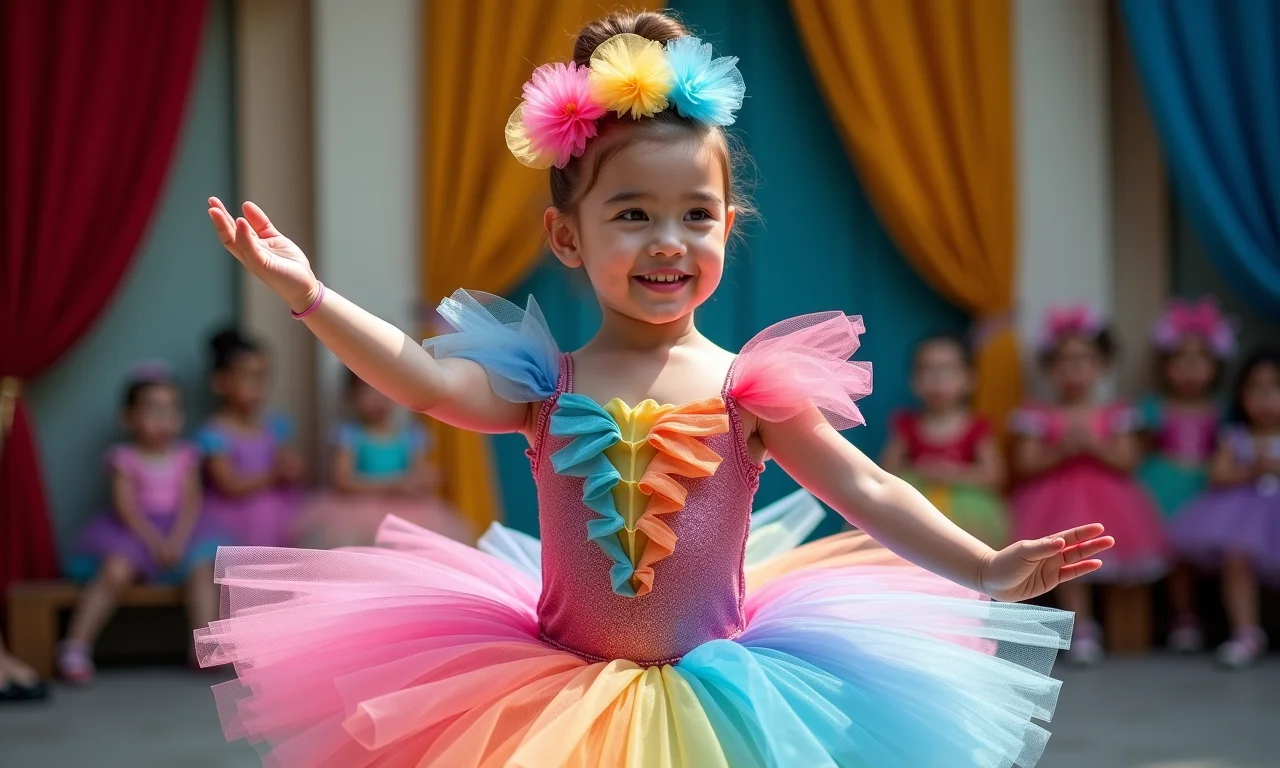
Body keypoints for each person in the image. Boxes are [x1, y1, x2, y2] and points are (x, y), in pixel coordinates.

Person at [195, 12, 1111, 766]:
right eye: (632, 214)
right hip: (557, 701)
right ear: (567, 237)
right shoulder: (543, 385)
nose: (668, 240)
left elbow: (866, 487)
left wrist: (982, 567)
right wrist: (311, 297)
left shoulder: (749, 389)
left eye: (696, 215)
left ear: (727, 226)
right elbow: (425, 379)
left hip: (726, 697)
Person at [1010, 306, 1168, 666]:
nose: (1074, 369)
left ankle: (1115, 629)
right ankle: (1082, 628)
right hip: (1051, 503)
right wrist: (1061, 450)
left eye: (1084, 360)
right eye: (1064, 361)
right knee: (1067, 553)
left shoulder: (1117, 412)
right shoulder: (1037, 415)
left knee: (1099, 553)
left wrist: (1095, 446)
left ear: (1102, 365)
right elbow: (1024, 464)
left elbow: (1128, 460)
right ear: (1050, 368)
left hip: (1110, 502)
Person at [60, 362, 224, 682]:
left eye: (171, 410)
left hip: (181, 530)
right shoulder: (124, 458)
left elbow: (191, 503)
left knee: (203, 569)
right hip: (134, 531)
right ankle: (76, 645)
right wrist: (154, 542)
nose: (164, 419)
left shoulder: (186, 455)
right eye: (153, 410)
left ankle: (205, 644)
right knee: (115, 570)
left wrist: (176, 540)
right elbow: (126, 508)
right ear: (129, 417)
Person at [1167, 347, 1280, 668]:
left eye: (1274, 387)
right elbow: (1217, 475)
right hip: (1241, 516)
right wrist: (1252, 470)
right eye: (1255, 388)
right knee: (1236, 558)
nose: (1265, 398)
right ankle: (1246, 632)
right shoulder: (1236, 436)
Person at [1135, 298, 1233, 651]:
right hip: (1163, 486)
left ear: (1216, 366)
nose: (1190, 370)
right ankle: (1182, 616)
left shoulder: (1220, 411)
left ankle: (1221, 619)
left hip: (1209, 488)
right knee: (1175, 556)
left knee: (1209, 554)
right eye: (1180, 360)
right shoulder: (1155, 407)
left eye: (1199, 360)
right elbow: (1140, 449)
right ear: (1165, 365)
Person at [293, 369, 466, 549]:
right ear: (352, 395)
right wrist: (394, 484)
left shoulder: (411, 436)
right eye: (369, 390)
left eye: (386, 389)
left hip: (407, 510)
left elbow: (418, 474)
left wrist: (426, 480)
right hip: (357, 511)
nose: (379, 398)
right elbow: (343, 481)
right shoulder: (349, 435)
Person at [881, 334, 1008, 547]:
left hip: (968, 512)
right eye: (927, 370)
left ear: (969, 379)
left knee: (968, 553)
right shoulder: (907, 425)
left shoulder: (975, 426)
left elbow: (995, 475)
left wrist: (953, 473)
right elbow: (887, 472)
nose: (937, 379)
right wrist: (918, 471)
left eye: (947, 370)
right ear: (914, 380)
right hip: (919, 507)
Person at [196, 329, 303, 547]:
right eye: (248, 376)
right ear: (220, 382)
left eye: (263, 376)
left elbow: (284, 460)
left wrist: (293, 468)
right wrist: (274, 475)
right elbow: (229, 484)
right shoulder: (215, 433)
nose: (258, 386)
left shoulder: (274, 426)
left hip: (279, 512)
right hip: (233, 519)